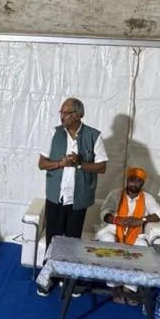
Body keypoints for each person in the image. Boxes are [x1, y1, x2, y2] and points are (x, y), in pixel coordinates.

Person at [38, 98, 108, 249]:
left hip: (78, 199)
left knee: (72, 244)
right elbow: (42, 164)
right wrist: (60, 164)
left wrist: (79, 164)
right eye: (61, 112)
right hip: (55, 197)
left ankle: (68, 266)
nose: (62, 116)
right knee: (52, 242)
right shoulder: (54, 133)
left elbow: (102, 167)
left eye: (66, 113)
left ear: (77, 115)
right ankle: (49, 265)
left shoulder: (94, 135)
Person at [96, 167, 160, 302]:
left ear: (142, 183)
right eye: (132, 180)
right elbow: (103, 212)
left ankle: (129, 288)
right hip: (114, 229)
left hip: (136, 233)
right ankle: (115, 286)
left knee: (142, 247)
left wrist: (142, 220)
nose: (134, 183)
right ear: (127, 180)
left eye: (138, 181)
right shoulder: (115, 194)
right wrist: (117, 220)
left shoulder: (147, 198)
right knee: (109, 240)